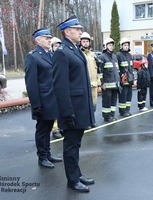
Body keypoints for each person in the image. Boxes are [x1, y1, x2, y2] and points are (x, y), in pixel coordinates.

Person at [52, 15, 95, 193]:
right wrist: (67, 112)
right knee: (70, 146)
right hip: (72, 110)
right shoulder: (62, 52)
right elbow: (60, 86)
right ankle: (72, 180)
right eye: (77, 29)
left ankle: (77, 174)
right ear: (67, 32)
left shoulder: (75, 50)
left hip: (80, 108)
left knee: (76, 144)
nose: (80, 32)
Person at [24, 28, 62, 169]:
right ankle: (42, 156)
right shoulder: (33, 56)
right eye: (46, 38)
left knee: (48, 128)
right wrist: (36, 105)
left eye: (49, 38)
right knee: (42, 130)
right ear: (38, 40)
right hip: (42, 101)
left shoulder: (51, 55)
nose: (49, 40)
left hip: (52, 100)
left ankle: (48, 153)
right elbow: (31, 83)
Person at [98, 37, 120, 122]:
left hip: (115, 84)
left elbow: (117, 71)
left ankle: (112, 115)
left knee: (114, 101)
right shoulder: (102, 57)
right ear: (105, 46)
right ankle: (106, 116)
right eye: (109, 45)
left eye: (112, 45)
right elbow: (100, 71)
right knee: (107, 101)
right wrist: (102, 83)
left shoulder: (114, 57)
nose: (111, 47)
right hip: (107, 85)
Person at [79, 32, 98, 128]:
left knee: (93, 104)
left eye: (87, 41)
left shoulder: (93, 54)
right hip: (85, 84)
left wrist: (99, 81)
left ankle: (92, 121)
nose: (85, 43)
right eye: (83, 41)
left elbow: (96, 68)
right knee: (85, 105)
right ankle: (85, 122)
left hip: (94, 84)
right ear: (80, 42)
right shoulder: (79, 53)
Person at [116, 37, 134, 117]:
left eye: (127, 45)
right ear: (121, 46)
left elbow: (131, 68)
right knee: (123, 96)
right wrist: (120, 79)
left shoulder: (130, 55)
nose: (127, 46)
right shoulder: (118, 55)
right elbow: (117, 68)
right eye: (125, 45)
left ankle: (127, 110)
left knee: (129, 96)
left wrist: (133, 78)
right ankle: (122, 111)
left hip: (129, 80)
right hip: (123, 80)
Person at [50, 37, 63, 139]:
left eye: (59, 45)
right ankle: (55, 130)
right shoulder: (50, 57)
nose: (57, 47)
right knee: (55, 109)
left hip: (61, 87)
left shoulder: (63, 57)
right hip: (53, 87)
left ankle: (61, 126)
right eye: (55, 46)